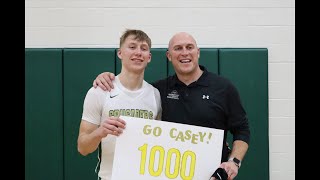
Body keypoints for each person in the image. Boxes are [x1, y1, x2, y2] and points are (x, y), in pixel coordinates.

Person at [93, 32, 250, 180]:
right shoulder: (158, 91)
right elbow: (131, 88)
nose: (184, 53)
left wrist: (234, 162)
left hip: (212, 176)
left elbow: (241, 130)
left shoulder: (223, 87)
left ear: (198, 52)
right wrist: (107, 78)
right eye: (178, 48)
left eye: (189, 47)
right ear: (169, 56)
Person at [77, 29, 162, 180]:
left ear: (149, 57)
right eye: (132, 46)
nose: (138, 52)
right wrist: (100, 132)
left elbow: (159, 143)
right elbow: (82, 148)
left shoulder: (155, 95)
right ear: (120, 53)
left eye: (143, 48)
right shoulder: (99, 91)